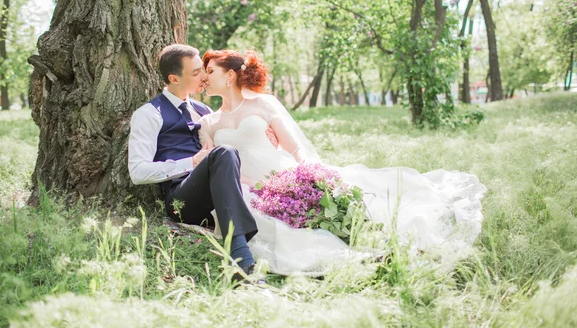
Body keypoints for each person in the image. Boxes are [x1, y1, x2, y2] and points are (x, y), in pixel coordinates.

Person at [198, 49, 488, 275]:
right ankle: (364, 252)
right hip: (250, 190)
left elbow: (295, 145)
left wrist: (309, 173)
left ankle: (381, 239)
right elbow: (214, 167)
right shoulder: (208, 122)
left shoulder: (263, 104)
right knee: (292, 231)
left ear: (230, 75)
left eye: (210, 71)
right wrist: (254, 184)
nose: (204, 78)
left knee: (342, 209)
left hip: (287, 177)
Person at [128, 44, 260, 278]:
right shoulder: (149, 114)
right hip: (180, 199)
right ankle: (241, 260)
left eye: (203, 70)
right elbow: (137, 172)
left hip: (216, 190)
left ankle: (242, 255)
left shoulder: (203, 110)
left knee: (226, 152)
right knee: (224, 152)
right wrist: (191, 163)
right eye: (196, 72)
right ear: (174, 78)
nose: (204, 77)